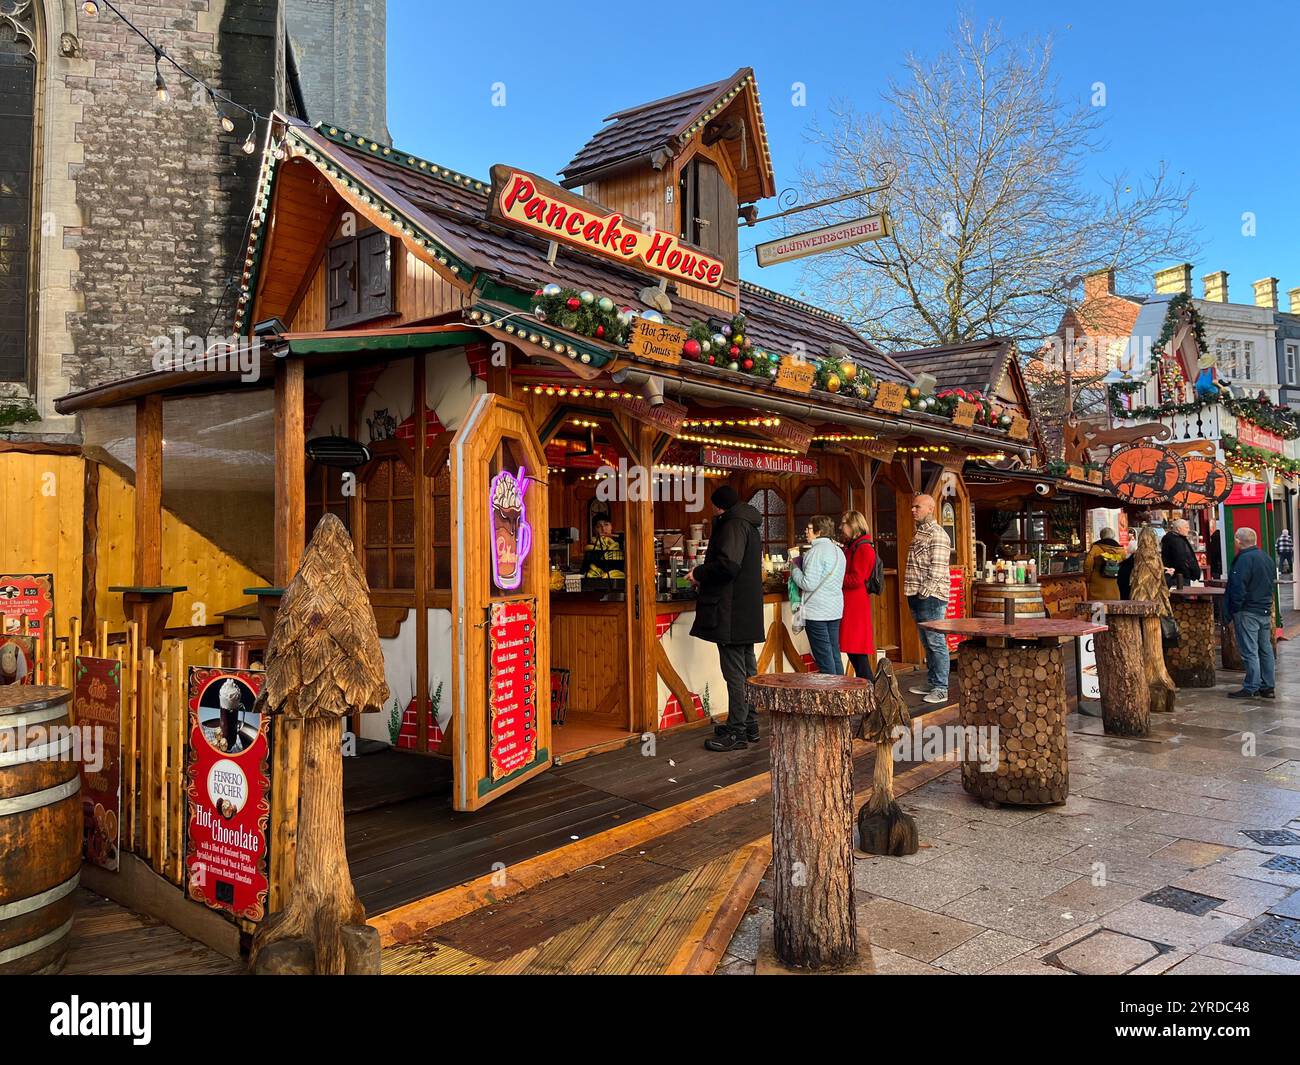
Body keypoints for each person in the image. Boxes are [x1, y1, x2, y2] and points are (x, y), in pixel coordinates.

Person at [691, 485, 765, 751]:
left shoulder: (733, 525)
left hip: (731, 610)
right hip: (745, 610)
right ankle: (750, 724)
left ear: (720, 506)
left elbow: (727, 565)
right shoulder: (748, 523)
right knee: (748, 670)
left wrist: (699, 573)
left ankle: (736, 732)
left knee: (735, 673)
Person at [904, 493, 952, 704]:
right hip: (917, 594)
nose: (913, 510)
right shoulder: (920, 533)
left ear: (931, 509)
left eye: (918, 507)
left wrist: (924, 593)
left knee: (936, 642)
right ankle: (933, 682)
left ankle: (942, 688)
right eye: (913, 507)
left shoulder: (938, 535)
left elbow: (937, 569)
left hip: (931, 597)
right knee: (927, 643)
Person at [1225, 526, 1277, 699]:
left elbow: (1238, 587)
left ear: (1239, 541)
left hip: (1248, 611)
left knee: (1250, 650)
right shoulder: (1266, 557)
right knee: (1265, 649)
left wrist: (1235, 608)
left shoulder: (1243, 560)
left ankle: (1251, 686)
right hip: (1263, 609)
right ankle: (1268, 686)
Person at [791, 514, 846, 674]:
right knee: (834, 653)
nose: (806, 531)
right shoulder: (838, 551)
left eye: (809, 529)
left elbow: (808, 583)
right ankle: (843, 691)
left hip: (817, 612)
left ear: (819, 531)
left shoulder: (815, 552)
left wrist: (794, 569)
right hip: (834, 609)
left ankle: (831, 693)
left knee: (824, 656)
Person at [839, 510, 877, 680]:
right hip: (852, 602)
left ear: (853, 525)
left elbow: (856, 579)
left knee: (857, 652)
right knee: (854, 650)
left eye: (844, 524)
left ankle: (870, 689)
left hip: (855, 603)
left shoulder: (863, 548)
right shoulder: (854, 546)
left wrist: (835, 578)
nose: (841, 527)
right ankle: (868, 690)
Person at [1083, 527, 1124, 600]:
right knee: (1113, 607)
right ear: (1113, 536)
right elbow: (1123, 565)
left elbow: (1087, 564)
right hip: (1114, 582)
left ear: (1101, 536)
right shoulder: (1120, 550)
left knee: (1097, 607)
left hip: (1098, 583)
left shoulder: (1095, 548)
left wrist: (1089, 578)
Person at [1161, 518, 1201, 587]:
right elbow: (1183, 559)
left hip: (1175, 575)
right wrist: (1190, 573)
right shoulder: (1177, 541)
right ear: (1178, 529)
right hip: (1179, 577)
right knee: (1181, 595)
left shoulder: (1173, 538)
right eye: (1186, 527)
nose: (1188, 530)